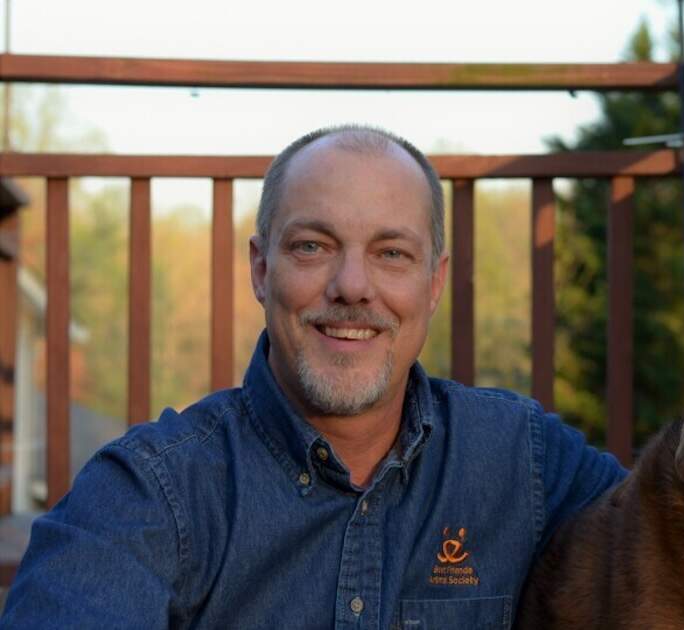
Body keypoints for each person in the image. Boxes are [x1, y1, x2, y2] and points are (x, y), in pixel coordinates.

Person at [0, 125, 625, 629]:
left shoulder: (525, 462)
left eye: (391, 254)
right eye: (313, 246)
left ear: (433, 285)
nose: (352, 286)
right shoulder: (152, 494)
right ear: (261, 269)